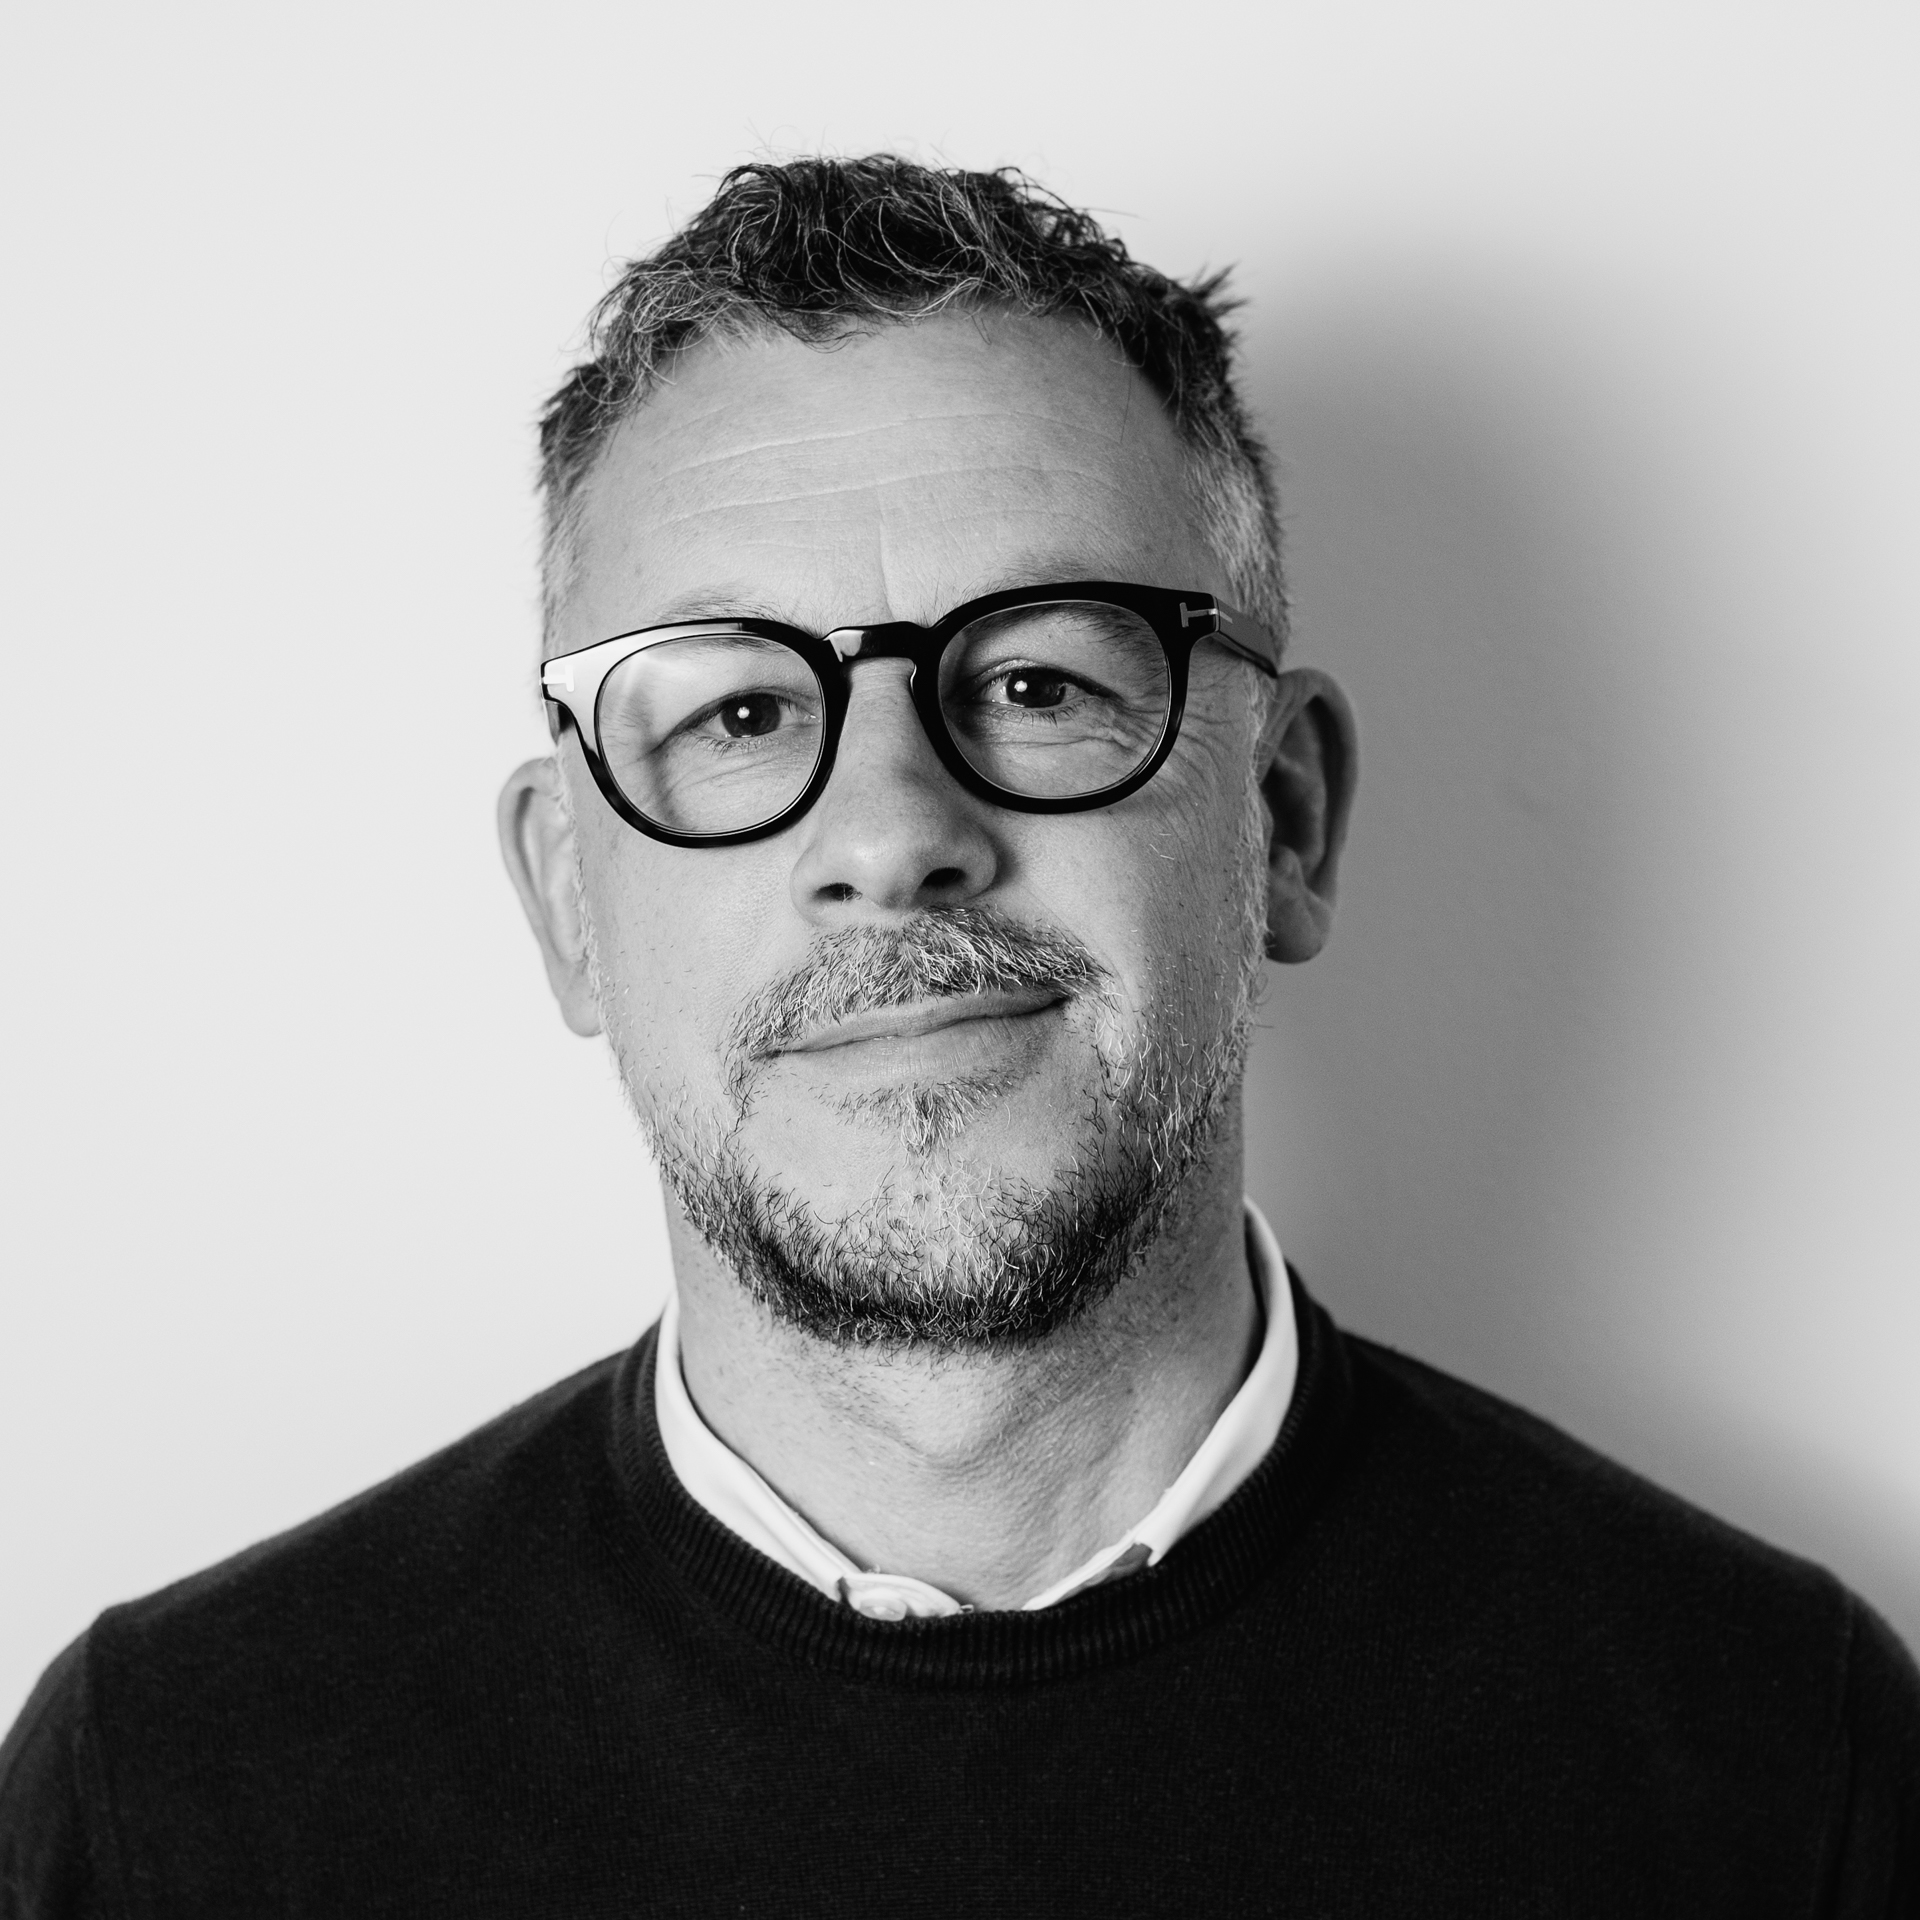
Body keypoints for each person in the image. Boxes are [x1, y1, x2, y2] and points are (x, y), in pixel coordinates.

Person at [2, 155, 1915, 1917]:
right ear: (569, 900)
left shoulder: (1779, 1760)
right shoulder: (166, 1801)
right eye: (739, 715)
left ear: (1284, 821)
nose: (893, 833)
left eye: (1037, 681)